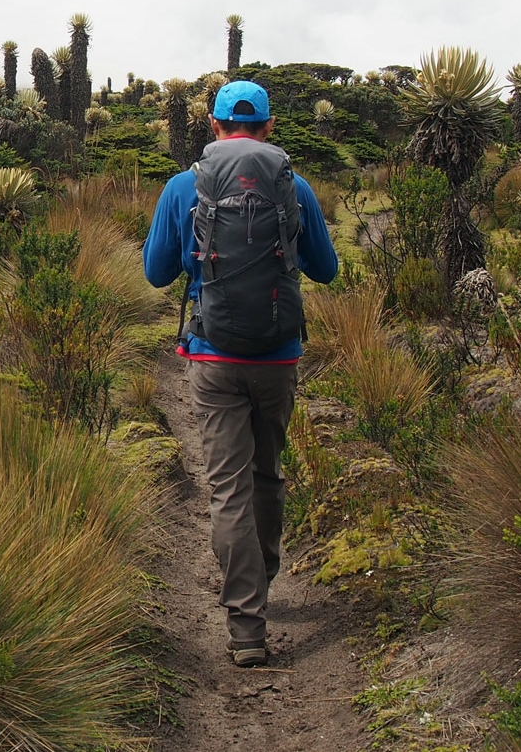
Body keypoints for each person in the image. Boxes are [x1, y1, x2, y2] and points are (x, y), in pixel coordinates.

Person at [142, 80, 339, 668]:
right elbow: (325, 269)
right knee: (266, 474)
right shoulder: (293, 187)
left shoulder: (184, 187)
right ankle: (262, 576)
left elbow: (156, 274)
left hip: (212, 355)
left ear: (213, 124)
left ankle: (246, 626)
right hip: (278, 356)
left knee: (227, 486)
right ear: (269, 127)